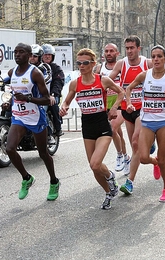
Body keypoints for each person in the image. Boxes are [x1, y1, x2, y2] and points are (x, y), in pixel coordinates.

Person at [59, 48, 124, 210]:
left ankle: (110, 176)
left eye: (85, 63)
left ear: (93, 64)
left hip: (102, 124)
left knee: (96, 164)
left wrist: (115, 107)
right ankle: (109, 191)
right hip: (87, 126)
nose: (81, 66)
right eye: (79, 63)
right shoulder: (75, 84)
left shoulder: (103, 80)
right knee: (94, 168)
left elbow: (121, 92)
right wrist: (64, 107)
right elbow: (66, 101)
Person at [126, 45, 165, 201]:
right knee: (144, 157)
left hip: (163, 123)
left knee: (163, 159)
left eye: (159, 56)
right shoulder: (145, 75)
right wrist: (129, 103)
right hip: (146, 122)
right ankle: (155, 164)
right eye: (153, 56)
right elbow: (128, 89)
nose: (156, 59)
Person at [5, 43, 60, 201]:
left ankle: (54, 181)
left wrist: (28, 98)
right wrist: (9, 102)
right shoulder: (12, 72)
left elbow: (46, 99)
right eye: (15, 52)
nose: (17, 55)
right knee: (9, 149)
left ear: (29, 56)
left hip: (35, 117)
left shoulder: (35, 73)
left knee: (43, 153)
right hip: (19, 116)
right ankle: (26, 178)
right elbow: (13, 93)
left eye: (21, 52)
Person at [108, 35, 153, 195]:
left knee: (135, 142)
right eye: (127, 48)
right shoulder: (121, 64)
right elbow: (108, 79)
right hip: (127, 109)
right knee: (136, 145)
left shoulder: (147, 63)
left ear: (139, 48)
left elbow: (162, 74)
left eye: (132, 48)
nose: (129, 51)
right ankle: (151, 152)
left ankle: (130, 182)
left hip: (144, 109)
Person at [94, 43, 130, 175]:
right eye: (106, 51)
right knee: (118, 134)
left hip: (121, 102)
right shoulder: (100, 67)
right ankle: (126, 158)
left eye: (111, 51)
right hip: (106, 103)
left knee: (112, 128)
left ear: (117, 53)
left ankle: (119, 155)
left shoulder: (123, 66)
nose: (108, 53)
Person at [42, 43, 65, 137]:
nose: (47, 56)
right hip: (36, 95)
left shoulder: (56, 68)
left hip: (52, 94)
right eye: (45, 54)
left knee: (52, 104)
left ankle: (56, 128)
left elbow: (58, 82)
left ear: (52, 56)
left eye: (49, 54)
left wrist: (53, 94)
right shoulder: (35, 67)